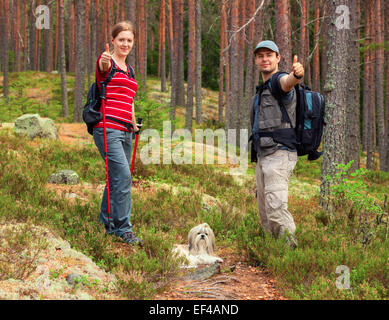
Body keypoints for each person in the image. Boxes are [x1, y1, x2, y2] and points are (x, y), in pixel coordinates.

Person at [250, 40, 304, 248]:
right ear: (256, 60)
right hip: (264, 156)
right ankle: (273, 254)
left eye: (269, 55)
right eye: (260, 55)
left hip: (279, 155)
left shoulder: (278, 81)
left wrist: (296, 75)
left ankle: (289, 256)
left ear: (278, 58)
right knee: (265, 211)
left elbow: (288, 83)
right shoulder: (261, 90)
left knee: (276, 209)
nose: (265, 59)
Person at [93, 21, 142, 245]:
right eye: (121, 39)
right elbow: (102, 70)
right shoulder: (107, 62)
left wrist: (133, 123)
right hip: (107, 129)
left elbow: (129, 100)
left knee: (115, 177)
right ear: (112, 41)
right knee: (123, 177)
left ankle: (106, 222)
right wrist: (104, 61)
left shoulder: (129, 70)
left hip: (125, 131)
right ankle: (123, 228)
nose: (125, 43)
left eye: (129, 40)